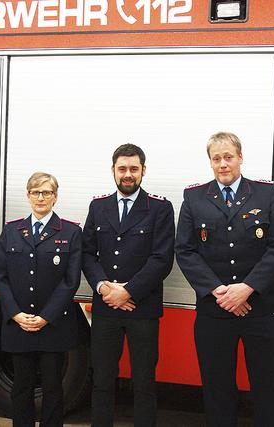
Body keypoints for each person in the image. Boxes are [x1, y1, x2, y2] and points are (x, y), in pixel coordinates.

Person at [175, 131, 274, 427]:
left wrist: (247, 289)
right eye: (216, 159)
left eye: (228, 157)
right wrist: (220, 292)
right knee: (217, 390)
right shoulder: (195, 197)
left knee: (266, 391)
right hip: (216, 311)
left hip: (261, 310)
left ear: (240, 157)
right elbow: (185, 251)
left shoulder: (266, 194)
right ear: (210, 162)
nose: (223, 164)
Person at [82, 143, 175, 427]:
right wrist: (102, 287)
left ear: (143, 171)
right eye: (122, 168)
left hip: (142, 309)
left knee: (144, 383)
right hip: (106, 308)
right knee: (102, 381)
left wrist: (128, 291)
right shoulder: (98, 207)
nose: (128, 174)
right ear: (113, 170)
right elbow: (86, 253)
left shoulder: (160, 207)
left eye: (134, 169)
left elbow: (162, 259)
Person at [0, 172, 82, 427]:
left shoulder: (71, 232)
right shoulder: (11, 231)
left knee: (53, 387)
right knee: (21, 387)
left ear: (55, 197)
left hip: (53, 326)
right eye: (35, 192)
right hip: (19, 324)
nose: (41, 198)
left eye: (47, 192)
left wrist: (45, 317)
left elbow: (70, 280)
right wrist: (15, 313)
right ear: (28, 195)